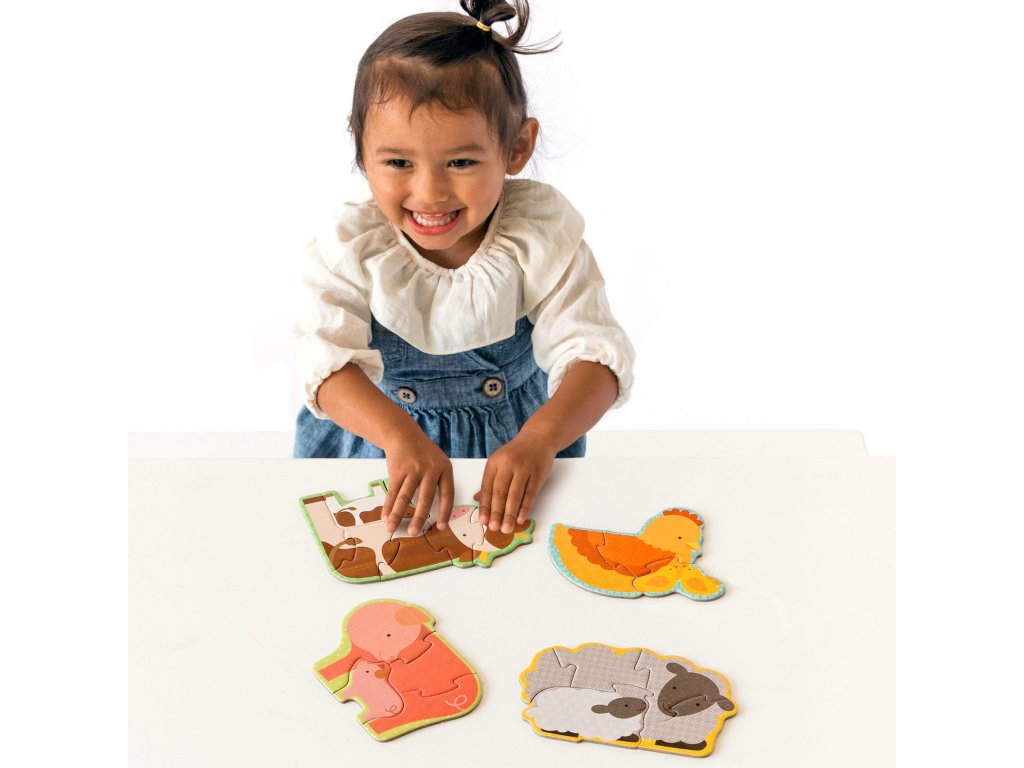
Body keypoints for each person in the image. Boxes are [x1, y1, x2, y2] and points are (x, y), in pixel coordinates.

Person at [294, 0, 634, 541]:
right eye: (398, 162)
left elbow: (594, 358)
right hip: (376, 451)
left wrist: (541, 439)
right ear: (360, 145)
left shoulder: (540, 236)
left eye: (461, 162)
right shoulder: (351, 246)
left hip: (517, 457)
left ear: (517, 147)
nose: (429, 192)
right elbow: (327, 365)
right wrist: (399, 437)